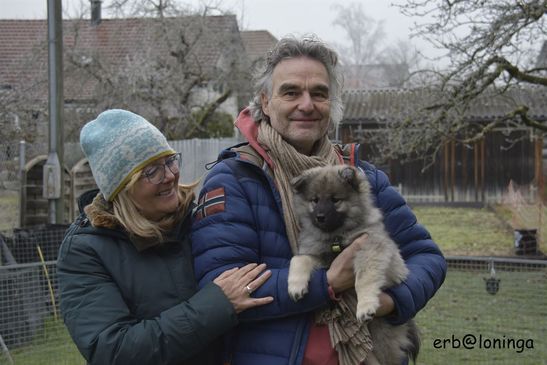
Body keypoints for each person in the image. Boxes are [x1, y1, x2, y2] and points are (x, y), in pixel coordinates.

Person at [191, 36, 447, 365]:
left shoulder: (361, 180)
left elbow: (426, 256)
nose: (307, 104)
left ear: (332, 105)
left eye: (319, 93)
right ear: (265, 102)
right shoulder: (236, 180)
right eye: (291, 92)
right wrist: (326, 283)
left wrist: (388, 300)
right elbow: (221, 285)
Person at [57, 109, 274, 365]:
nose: (170, 176)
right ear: (121, 187)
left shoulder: (197, 221)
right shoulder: (86, 251)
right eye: (151, 171)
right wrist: (216, 305)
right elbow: (113, 351)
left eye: (170, 161)